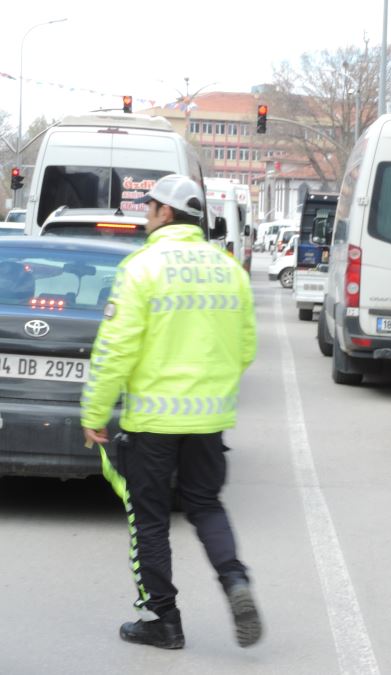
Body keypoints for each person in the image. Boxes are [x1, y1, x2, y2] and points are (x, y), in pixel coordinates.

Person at [81, 175, 261, 650]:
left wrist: (94, 413)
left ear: (164, 213)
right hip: (208, 419)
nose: (146, 215)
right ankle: (236, 581)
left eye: (150, 207)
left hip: (153, 423)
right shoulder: (229, 270)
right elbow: (245, 349)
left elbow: (114, 349)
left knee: (150, 519)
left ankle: (164, 620)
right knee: (206, 505)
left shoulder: (142, 267)